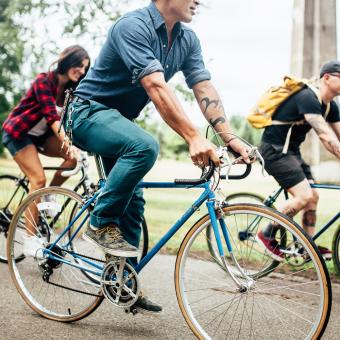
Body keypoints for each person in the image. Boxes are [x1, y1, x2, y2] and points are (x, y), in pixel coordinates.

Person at [67, 0, 250, 312]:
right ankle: (99, 222)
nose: (199, 2)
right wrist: (192, 137)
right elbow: (155, 85)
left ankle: (122, 282)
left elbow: (203, 86)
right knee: (145, 146)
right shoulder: (132, 26)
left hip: (118, 123)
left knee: (133, 200)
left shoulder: (187, 39)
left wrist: (228, 136)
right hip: (86, 114)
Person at [1, 45, 90, 257]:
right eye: (79, 65)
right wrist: (68, 142)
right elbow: (52, 117)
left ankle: (48, 195)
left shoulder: (71, 91)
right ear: (68, 61)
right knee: (37, 179)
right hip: (18, 134)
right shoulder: (44, 80)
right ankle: (30, 241)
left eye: (85, 68)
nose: (81, 71)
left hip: (40, 138)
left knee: (71, 158)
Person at [257, 60, 340, 261]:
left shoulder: (330, 106)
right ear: (327, 78)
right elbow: (326, 136)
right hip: (274, 151)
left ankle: (306, 246)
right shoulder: (308, 97)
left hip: (291, 152)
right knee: (303, 196)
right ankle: (265, 234)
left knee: (313, 197)